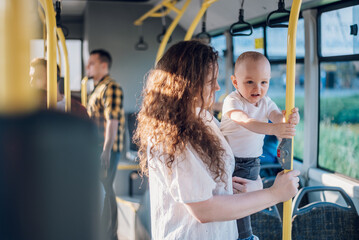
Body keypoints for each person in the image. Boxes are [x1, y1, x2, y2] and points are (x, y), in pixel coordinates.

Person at [133, 40, 300, 240]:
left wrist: (253, 186)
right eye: (211, 81)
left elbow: (214, 180)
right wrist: (274, 194)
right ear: (189, 84)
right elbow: (204, 209)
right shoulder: (173, 134)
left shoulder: (204, 118)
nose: (218, 87)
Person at [220, 51, 300, 240]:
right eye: (250, 82)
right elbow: (246, 121)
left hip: (249, 163)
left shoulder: (266, 102)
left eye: (264, 82)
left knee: (241, 203)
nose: (258, 88)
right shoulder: (232, 101)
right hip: (225, 160)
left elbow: (276, 117)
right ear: (235, 81)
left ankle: (244, 235)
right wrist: (274, 130)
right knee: (232, 203)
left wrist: (288, 120)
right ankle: (244, 236)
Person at [86, 49, 125, 240]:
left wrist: (106, 149)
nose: (88, 67)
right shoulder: (97, 88)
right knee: (103, 189)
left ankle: (109, 235)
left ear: (103, 65)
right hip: (98, 148)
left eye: (91, 63)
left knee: (106, 188)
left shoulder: (111, 87)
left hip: (106, 149)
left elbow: (113, 120)